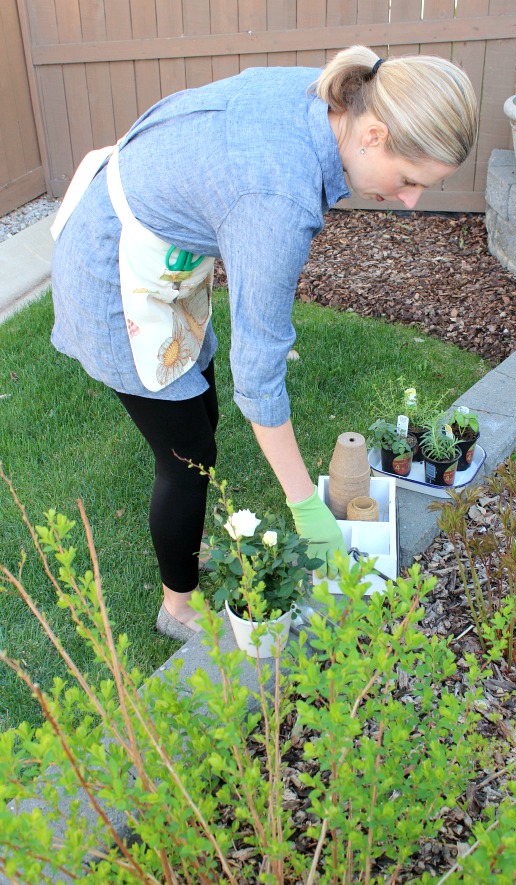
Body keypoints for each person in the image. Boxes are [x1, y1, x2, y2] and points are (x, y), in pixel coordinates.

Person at [50, 45, 479, 641]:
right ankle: (177, 608)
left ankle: (187, 531)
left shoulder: (336, 96)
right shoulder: (277, 198)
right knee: (185, 460)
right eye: (409, 180)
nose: (411, 201)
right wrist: (307, 508)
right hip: (113, 268)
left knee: (197, 414)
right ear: (374, 134)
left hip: (160, 249)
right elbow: (258, 374)